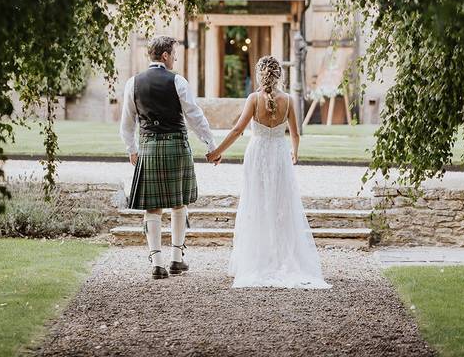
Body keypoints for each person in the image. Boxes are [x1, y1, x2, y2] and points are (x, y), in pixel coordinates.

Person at [207, 56, 330, 289]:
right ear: (279, 76)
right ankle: (281, 257)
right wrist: (295, 153)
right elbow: (295, 134)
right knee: (282, 206)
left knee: (256, 203)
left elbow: (236, 130)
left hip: (258, 155)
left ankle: (257, 259)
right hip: (280, 155)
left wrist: (216, 152)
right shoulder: (289, 100)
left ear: (259, 75)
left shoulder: (253, 99)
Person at [120, 36, 220, 279]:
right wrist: (211, 145)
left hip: (149, 147)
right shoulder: (178, 81)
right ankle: (176, 259)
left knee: (152, 207)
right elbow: (195, 117)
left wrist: (132, 149)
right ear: (164, 55)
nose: (176, 57)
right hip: (176, 146)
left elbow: (127, 123)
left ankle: (157, 263)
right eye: (174, 53)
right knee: (178, 202)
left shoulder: (133, 83)